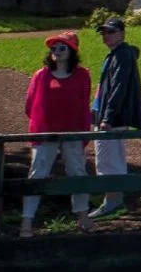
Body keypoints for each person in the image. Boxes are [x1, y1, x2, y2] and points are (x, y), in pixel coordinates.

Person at [21, 31, 94, 233]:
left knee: (78, 172)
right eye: (53, 48)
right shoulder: (41, 75)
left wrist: (83, 133)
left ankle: (83, 217)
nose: (57, 52)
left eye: (62, 48)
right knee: (37, 174)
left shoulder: (82, 75)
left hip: (73, 131)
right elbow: (30, 105)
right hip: (45, 132)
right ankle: (26, 222)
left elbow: (83, 105)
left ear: (71, 51)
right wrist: (39, 125)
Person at [90, 16, 141, 220]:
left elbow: (118, 89)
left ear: (122, 33)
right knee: (113, 160)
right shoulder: (117, 55)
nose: (106, 36)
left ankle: (113, 202)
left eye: (111, 32)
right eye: (104, 32)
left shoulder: (121, 55)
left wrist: (107, 118)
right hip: (110, 117)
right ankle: (114, 200)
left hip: (112, 120)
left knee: (107, 161)